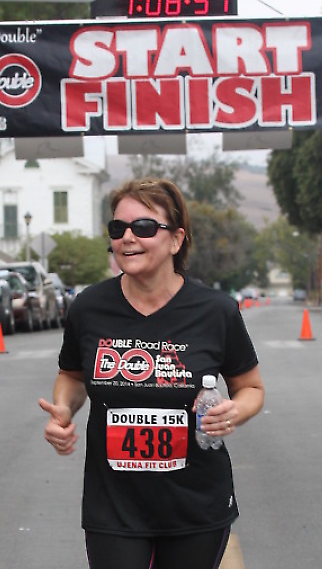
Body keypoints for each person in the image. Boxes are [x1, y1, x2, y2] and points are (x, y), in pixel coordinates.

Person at [39, 178, 265, 569]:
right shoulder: (89, 308)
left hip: (195, 504)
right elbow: (73, 377)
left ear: (176, 240)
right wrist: (63, 409)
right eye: (118, 228)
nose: (128, 238)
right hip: (115, 505)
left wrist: (234, 411)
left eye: (143, 227)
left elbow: (252, 388)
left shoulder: (216, 311)